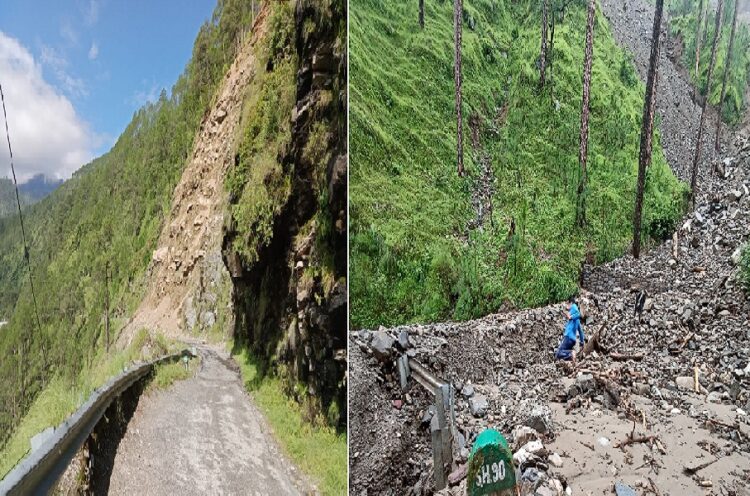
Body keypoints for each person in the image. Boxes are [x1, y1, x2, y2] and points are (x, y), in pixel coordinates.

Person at [555, 296, 584, 363]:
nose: (567, 306)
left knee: (559, 353)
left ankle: (571, 353)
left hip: (568, 336)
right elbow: (581, 332)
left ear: (570, 303)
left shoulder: (573, 307)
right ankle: (571, 363)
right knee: (564, 353)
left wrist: (570, 316)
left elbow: (578, 313)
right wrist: (582, 343)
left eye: (567, 304)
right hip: (573, 340)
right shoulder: (577, 320)